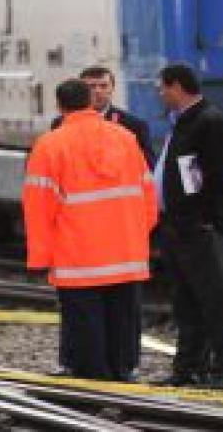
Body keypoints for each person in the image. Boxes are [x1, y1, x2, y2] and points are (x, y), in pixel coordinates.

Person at [23, 79, 158, 381]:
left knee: (85, 322)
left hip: (77, 256)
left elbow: (39, 208)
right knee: (123, 318)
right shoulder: (125, 137)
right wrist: (138, 234)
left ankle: (93, 380)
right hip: (126, 252)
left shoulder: (49, 145)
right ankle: (123, 372)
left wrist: (40, 259)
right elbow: (148, 193)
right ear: (90, 101)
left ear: (59, 106)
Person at [156, 63, 223, 389]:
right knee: (187, 302)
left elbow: (219, 179)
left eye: (162, 88)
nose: (160, 95)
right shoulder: (185, 123)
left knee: (212, 301)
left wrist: (206, 220)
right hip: (178, 226)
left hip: (197, 228)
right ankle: (189, 367)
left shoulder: (210, 123)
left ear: (176, 87)